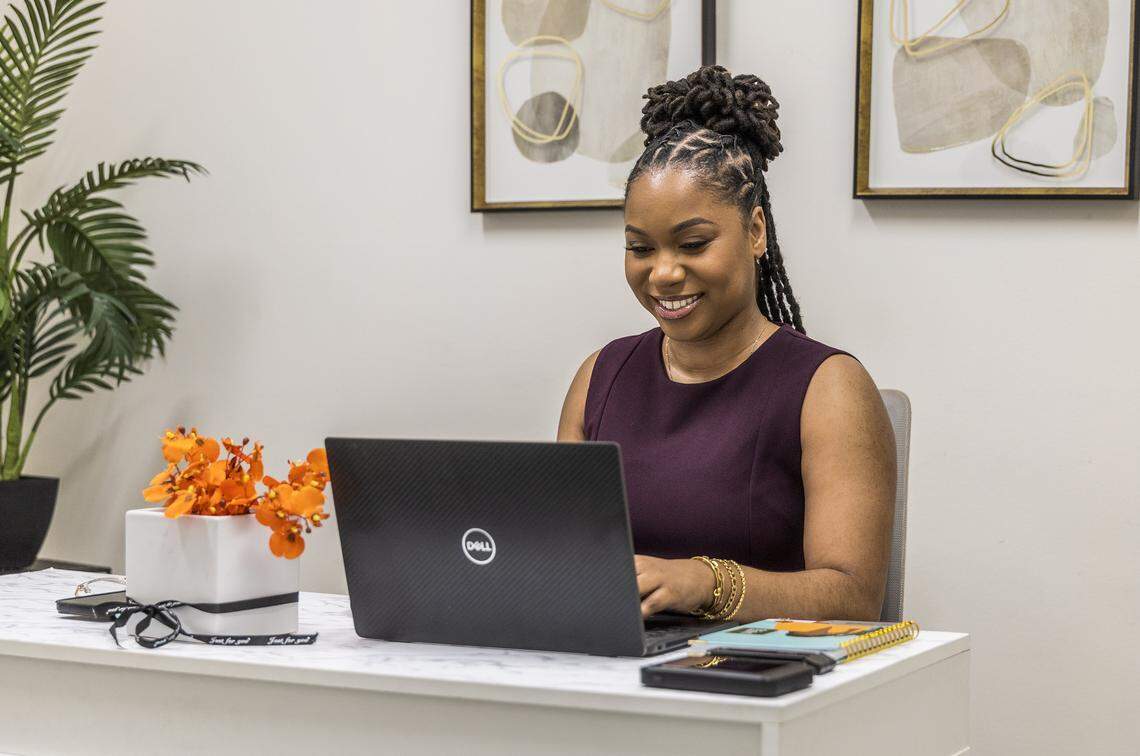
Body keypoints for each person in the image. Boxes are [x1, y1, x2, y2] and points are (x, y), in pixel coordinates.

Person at [557, 66, 896, 623]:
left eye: (693, 243)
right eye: (640, 249)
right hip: (608, 673)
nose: (663, 273)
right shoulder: (600, 376)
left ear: (756, 231)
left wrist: (704, 582)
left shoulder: (828, 387)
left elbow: (854, 599)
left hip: (759, 685)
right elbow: (558, 556)